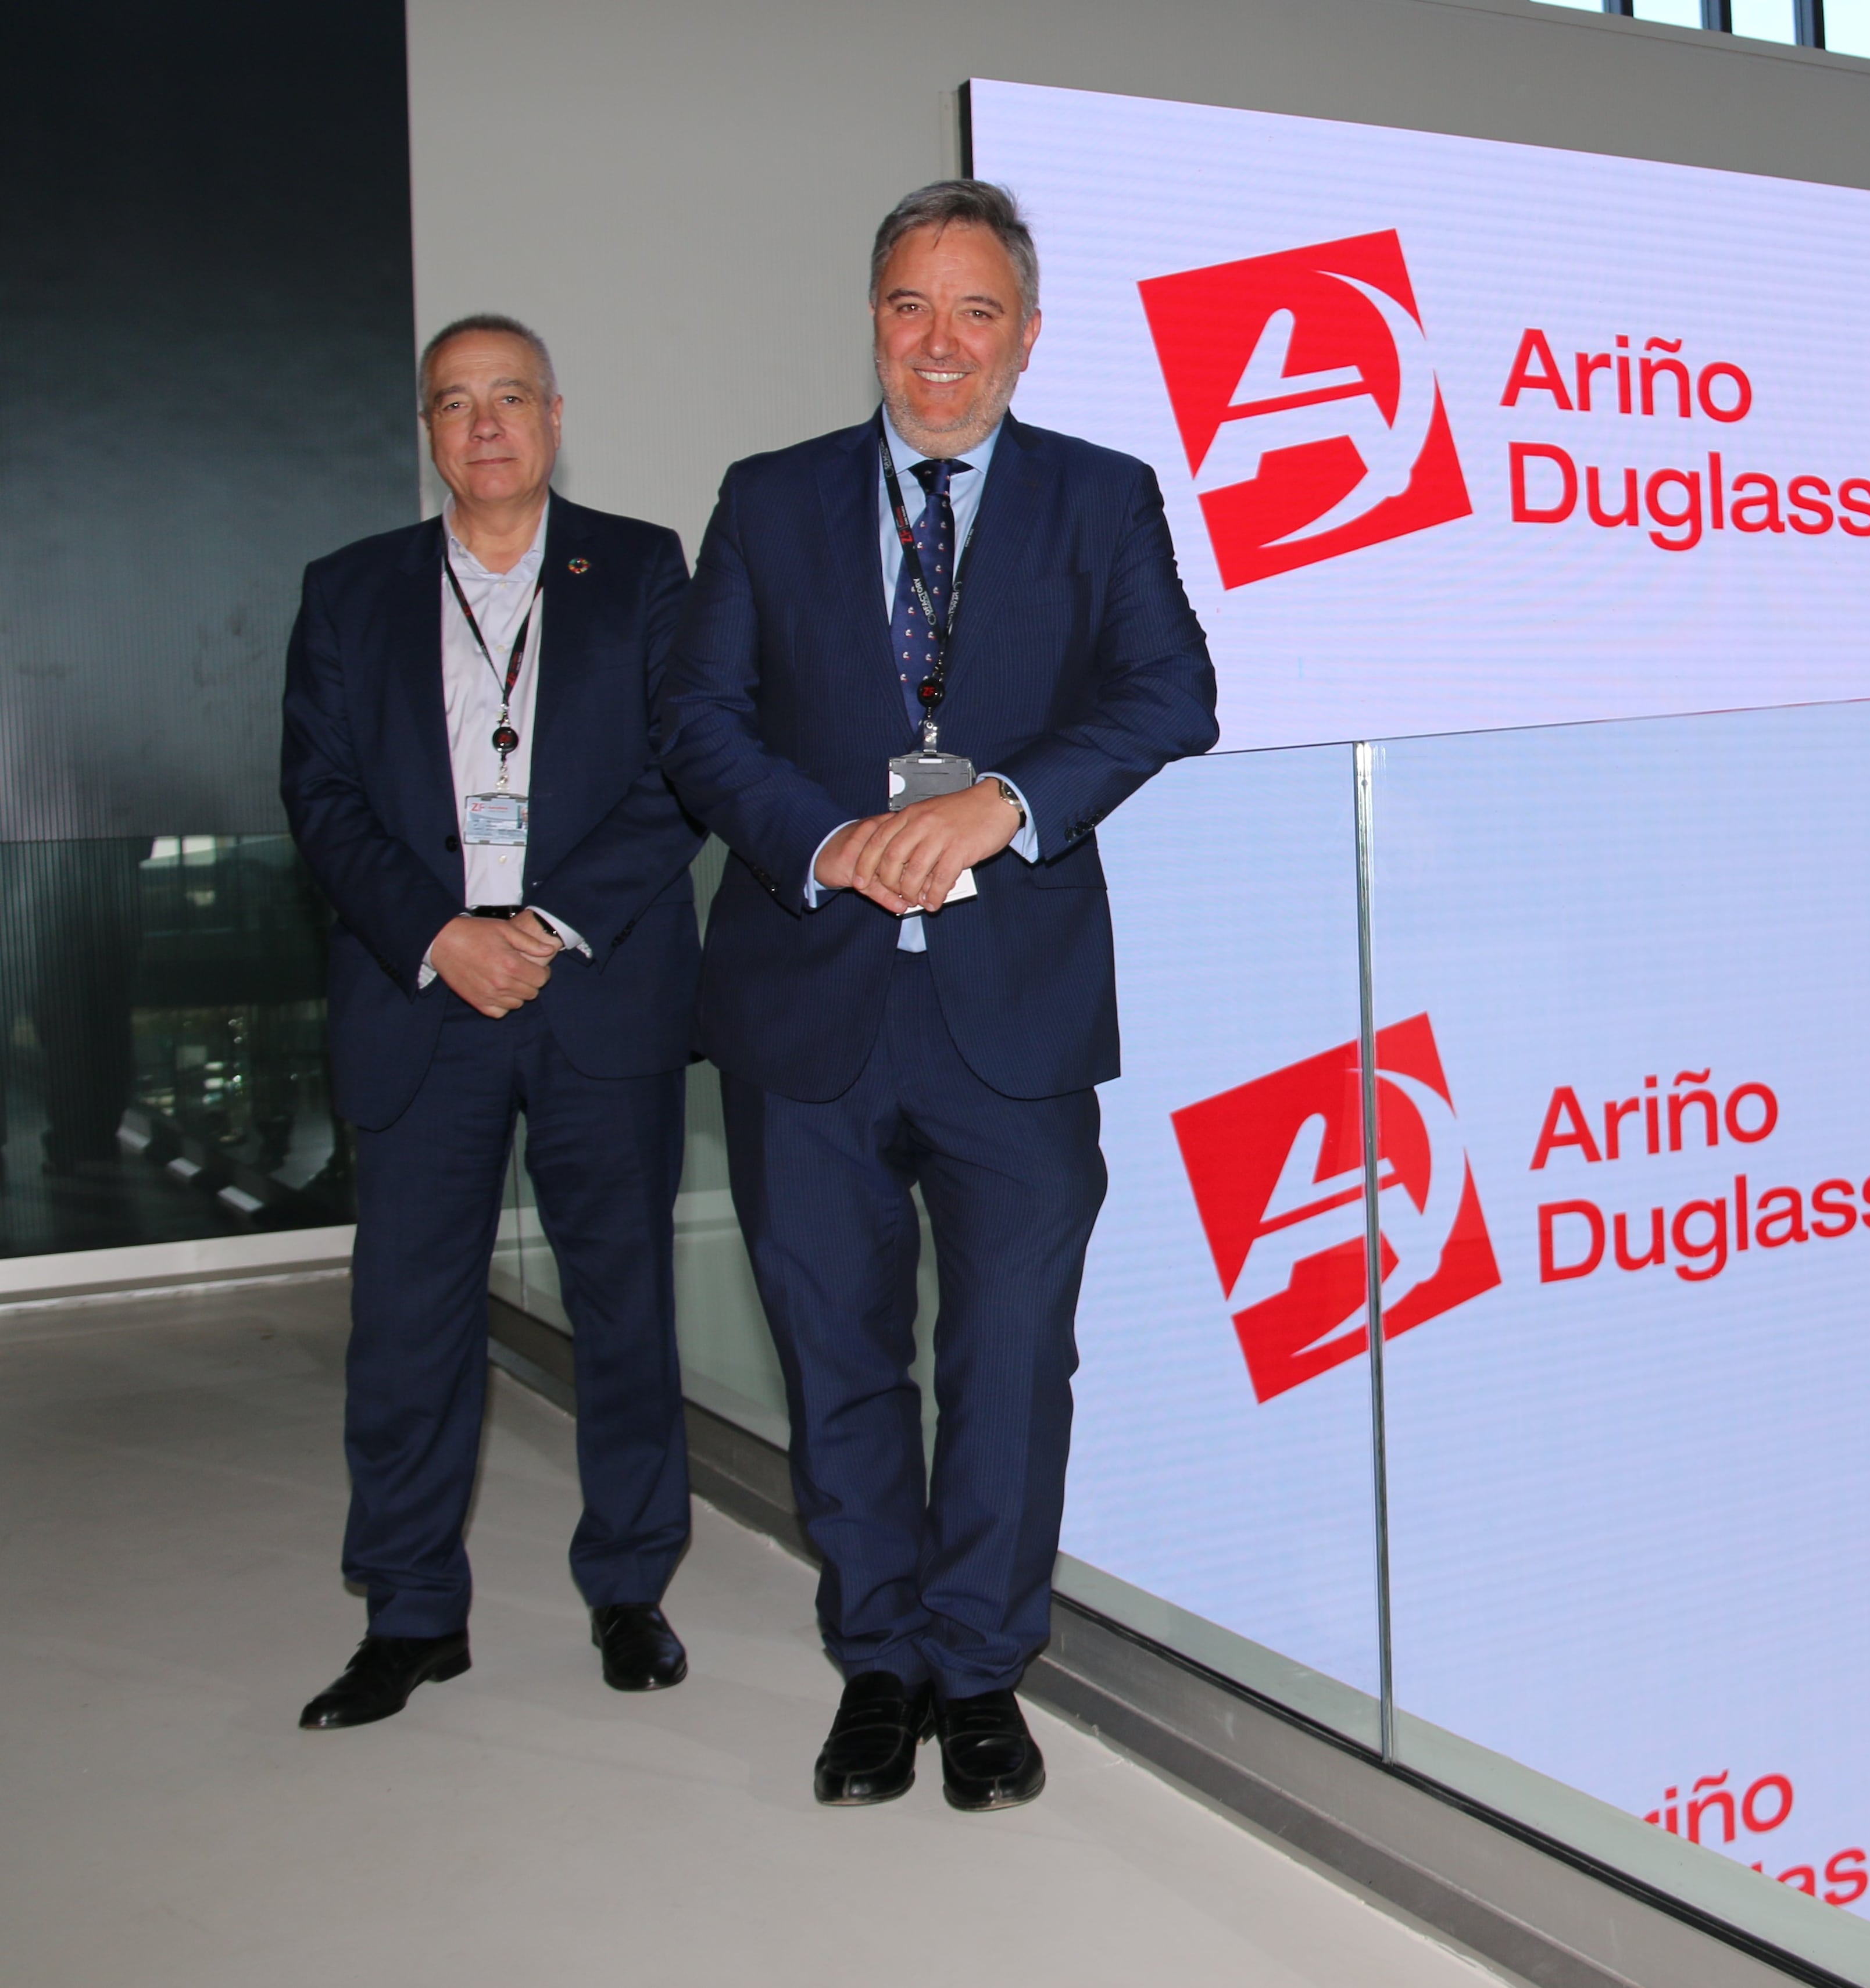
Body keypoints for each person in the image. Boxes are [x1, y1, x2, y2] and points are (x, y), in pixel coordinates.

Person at [659, 181, 1217, 1811]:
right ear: (876, 320)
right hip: (808, 1007)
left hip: (1016, 1015)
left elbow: (1172, 691)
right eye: (912, 306)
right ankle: (879, 1661)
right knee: (836, 1355)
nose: (942, 345)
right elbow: (700, 721)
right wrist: (826, 840)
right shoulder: (768, 500)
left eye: (978, 312)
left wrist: (1007, 802)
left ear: (1027, 336)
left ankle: (982, 1671)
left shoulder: (1102, 500)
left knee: (1011, 1357)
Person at [280, 314, 707, 1729]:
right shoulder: (348, 594)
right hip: (426, 1000)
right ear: (428, 430)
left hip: (595, 988)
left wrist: (540, 926)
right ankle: (409, 1615)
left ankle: (631, 1586)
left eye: (508, 398)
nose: (484, 427)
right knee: (407, 1322)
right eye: (454, 405)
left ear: (554, 415)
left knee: (624, 1310)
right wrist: (442, 936)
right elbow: (322, 800)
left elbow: (680, 775)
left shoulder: (642, 569)